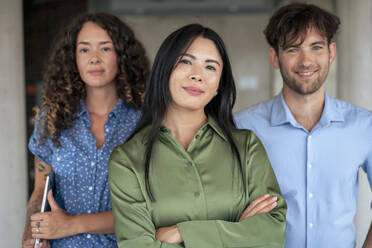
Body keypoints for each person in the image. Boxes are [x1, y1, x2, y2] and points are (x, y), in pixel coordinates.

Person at [109, 23, 286, 248]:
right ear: (165, 69)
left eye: (210, 67)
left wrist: (182, 232)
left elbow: (271, 234)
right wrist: (236, 232)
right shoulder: (128, 160)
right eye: (185, 61)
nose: (197, 75)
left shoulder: (246, 147)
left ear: (219, 86)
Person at [235, 3, 372, 248]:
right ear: (275, 57)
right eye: (292, 49)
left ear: (331, 52)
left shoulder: (363, 126)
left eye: (316, 47)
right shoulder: (243, 127)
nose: (306, 61)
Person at [22, 13, 150, 248]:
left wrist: (73, 224)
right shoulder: (51, 119)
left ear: (122, 56)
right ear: (73, 58)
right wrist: (32, 233)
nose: (94, 59)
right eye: (84, 50)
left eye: (105, 49)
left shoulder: (145, 122)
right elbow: (40, 191)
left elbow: (149, 209)